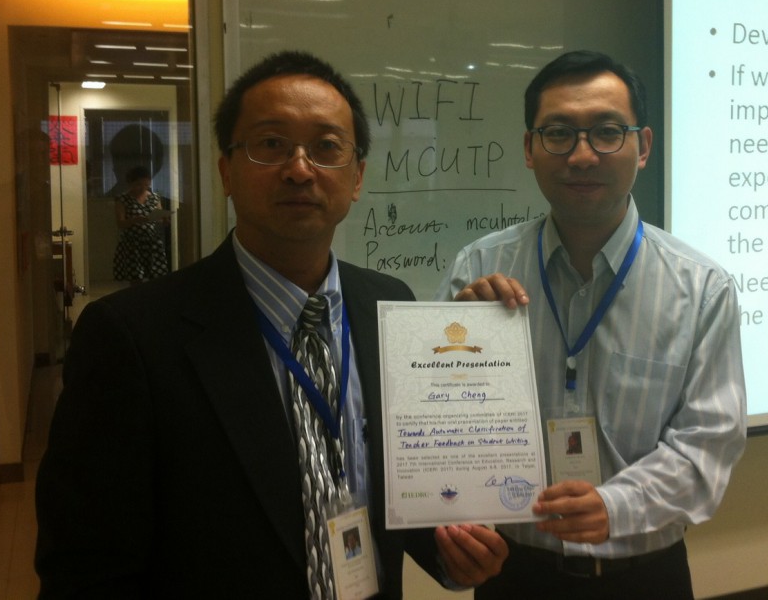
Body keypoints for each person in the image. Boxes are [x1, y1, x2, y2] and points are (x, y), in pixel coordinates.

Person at [36, 50, 507, 597]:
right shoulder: (131, 336)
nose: (300, 169)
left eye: (326, 147)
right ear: (226, 171)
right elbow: (85, 564)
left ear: (356, 177)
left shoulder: (390, 306)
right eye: (271, 144)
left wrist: (451, 554)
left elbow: (403, 487)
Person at [438, 50, 746, 599]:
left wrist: (616, 506)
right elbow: (435, 431)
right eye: (558, 133)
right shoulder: (478, 270)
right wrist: (455, 354)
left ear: (643, 146)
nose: (582, 155)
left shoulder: (702, 288)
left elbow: (708, 446)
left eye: (606, 132)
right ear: (529, 149)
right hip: (516, 578)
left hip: (644, 578)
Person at [112, 165, 170, 284]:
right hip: (133, 243)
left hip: (152, 242)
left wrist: (164, 220)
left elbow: (159, 217)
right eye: (138, 185)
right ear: (130, 183)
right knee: (136, 278)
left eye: (146, 185)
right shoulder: (122, 199)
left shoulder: (154, 198)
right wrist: (135, 220)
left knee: (156, 276)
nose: (143, 188)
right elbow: (120, 223)